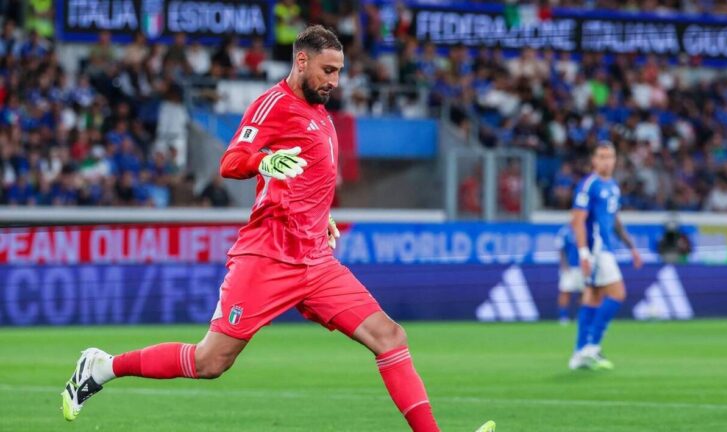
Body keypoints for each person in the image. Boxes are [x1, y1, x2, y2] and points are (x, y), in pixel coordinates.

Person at [61, 25, 495, 432]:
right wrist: (264, 161)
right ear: (301, 61)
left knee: (390, 336)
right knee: (211, 362)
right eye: (328, 70)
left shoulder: (320, 113)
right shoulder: (274, 104)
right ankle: (102, 367)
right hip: (268, 256)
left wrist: (320, 215)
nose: (334, 81)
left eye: (339, 72)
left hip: (316, 261)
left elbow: (310, 178)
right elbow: (231, 162)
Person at [568, 141, 643, 371]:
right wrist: (584, 253)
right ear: (593, 160)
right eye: (601, 156)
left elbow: (614, 220)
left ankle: (580, 352)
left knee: (592, 298)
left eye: (610, 157)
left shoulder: (613, 186)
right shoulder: (588, 185)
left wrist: (631, 246)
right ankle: (592, 346)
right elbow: (577, 221)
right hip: (597, 249)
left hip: (606, 247)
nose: (606, 161)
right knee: (618, 293)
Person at [554, 224, 584, 325]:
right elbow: (560, 249)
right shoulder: (564, 231)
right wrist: (564, 265)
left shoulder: (585, 229)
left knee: (584, 293)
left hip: (583, 267)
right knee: (565, 291)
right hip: (570, 267)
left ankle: (581, 317)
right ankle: (563, 317)